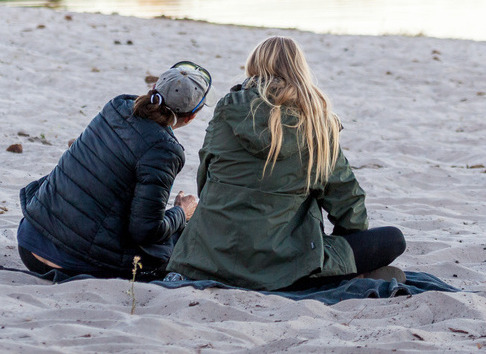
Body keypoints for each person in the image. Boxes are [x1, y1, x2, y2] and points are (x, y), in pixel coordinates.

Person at [166, 36, 405, 290]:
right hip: (284, 261)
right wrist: (339, 252)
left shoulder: (226, 110)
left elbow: (204, 181)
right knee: (393, 239)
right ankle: (330, 275)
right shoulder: (318, 125)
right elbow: (349, 207)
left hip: (208, 255)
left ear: (254, 67)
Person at [17, 61, 213, 280]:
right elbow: (145, 231)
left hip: (29, 241)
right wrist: (181, 212)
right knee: (180, 239)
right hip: (71, 262)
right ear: (192, 116)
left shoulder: (116, 106)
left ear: (154, 87)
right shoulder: (166, 150)